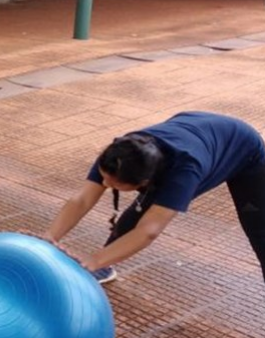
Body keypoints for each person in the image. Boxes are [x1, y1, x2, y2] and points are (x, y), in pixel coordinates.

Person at [45, 111, 265, 285]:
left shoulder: (184, 171)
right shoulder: (120, 154)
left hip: (243, 149)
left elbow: (149, 231)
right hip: (196, 127)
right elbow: (82, 199)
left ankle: (101, 263)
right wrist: (48, 238)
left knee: (259, 229)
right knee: (140, 211)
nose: (104, 185)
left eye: (113, 184)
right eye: (103, 177)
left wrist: (93, 260)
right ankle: (105, 266)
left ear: (143, 182)